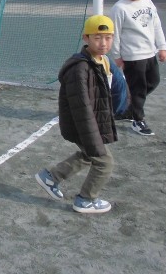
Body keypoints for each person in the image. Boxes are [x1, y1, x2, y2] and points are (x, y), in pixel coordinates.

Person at [35, 15, 118, 214]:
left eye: (108, 38)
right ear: (86, 38)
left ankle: (51, 177)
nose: (103, 43)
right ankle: (86, 200)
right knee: (104, 162)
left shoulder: (102, 61)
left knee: (88, 155)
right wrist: (92, 137)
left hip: (92, 123)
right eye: (97, 38)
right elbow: (81, 108)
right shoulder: (80, 69)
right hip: (83, 126)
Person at [109, 0, 166, 136]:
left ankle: (131, 108)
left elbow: (156, 26)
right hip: (132, 56)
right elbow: (115, 34)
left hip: (150, 53)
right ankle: (138, 120)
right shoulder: (119, 8)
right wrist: (117, 56)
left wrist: (162, 47)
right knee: (138, 88)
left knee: (153, 81)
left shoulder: (148, 2)